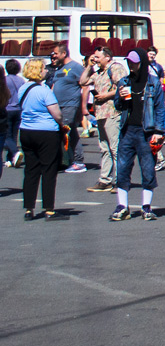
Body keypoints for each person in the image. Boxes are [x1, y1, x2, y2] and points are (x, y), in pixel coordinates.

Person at [110, 51, 163, 221]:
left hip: (146, 132)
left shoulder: (153, 83)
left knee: (148, 168)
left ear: (142, 63)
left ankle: (146, 207)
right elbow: (117, 105)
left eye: (134, 62)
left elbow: (160, 109)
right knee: (122, 167)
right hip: (127, 130)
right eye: (129, 62)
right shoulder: (124, 81)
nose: (130, 65)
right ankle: (122, 206)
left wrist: (158, 132)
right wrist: (121, 98)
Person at [15, 57, 65, 220]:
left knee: (30, 170)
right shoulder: (44, 91)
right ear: (38, 71)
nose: (46, 71)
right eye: (43, 68)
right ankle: (49, 209)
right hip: (46, 132)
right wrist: (62, 123)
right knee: (48, 170)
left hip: (26, 131)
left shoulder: (23, 88)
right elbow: (56, 113)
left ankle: (29, 209)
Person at [83, 47, 128, 192]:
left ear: (107, 57)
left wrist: (106, 96)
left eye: (97, 57)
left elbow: (125, 86)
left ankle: (120, 180)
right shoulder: (98, 72)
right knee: (104, 148)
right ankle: (105, 180)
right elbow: (82, 81)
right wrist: (89, 65)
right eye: (94, 57)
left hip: (113, 112)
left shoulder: (116, 68)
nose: (95, 59)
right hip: (100, 114)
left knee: (115, 148)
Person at [45, 45, 86, 174]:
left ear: (64, 53)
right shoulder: (59, 69)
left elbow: (85, 86)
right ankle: (74, 160)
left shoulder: (76, 67)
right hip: (59, 105)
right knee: (71, 132)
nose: (53, 55)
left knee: (64, 131)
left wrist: (82, 107)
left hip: (70, 105)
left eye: (56, 53)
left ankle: (75, 161)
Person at [2, 58, 20, 167]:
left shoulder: (5, 80)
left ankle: (15, 152)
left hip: (7, 109)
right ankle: (11, 159)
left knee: (6, 136)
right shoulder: (21, 80)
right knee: (14, 135)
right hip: (18, 110)